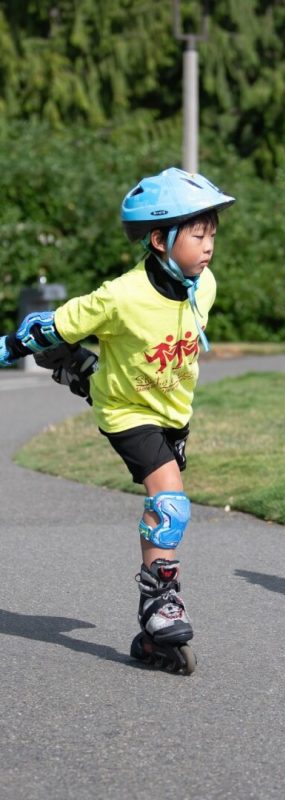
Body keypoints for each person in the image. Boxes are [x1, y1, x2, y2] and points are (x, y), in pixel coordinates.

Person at [0, 167, 235, 672]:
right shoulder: (122, 295)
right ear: (159, 238)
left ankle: (152, 633)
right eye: (197, 234)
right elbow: (54, 322)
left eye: (212, 233)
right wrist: (12, 346)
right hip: (129, 413)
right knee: (172, 503)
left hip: (172, 412)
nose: (209, 244)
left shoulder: (204, 284)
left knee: (161, 507)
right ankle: (161, 606)